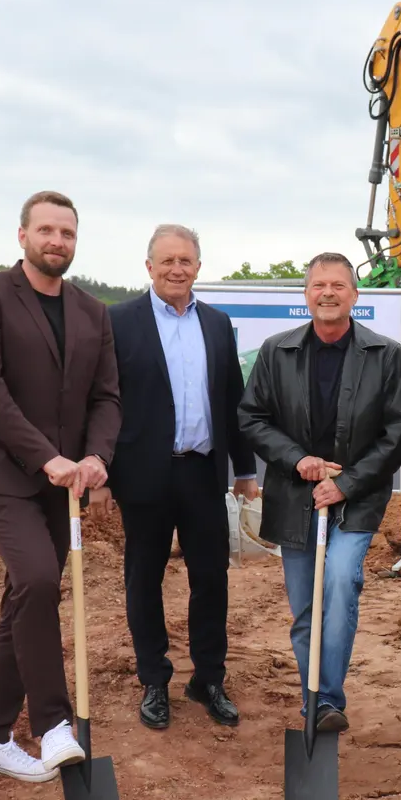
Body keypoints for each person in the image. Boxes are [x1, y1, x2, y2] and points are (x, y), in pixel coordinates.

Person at [0, 190, 121, 782]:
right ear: (22, 236)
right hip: (1, 469)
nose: (57, 241)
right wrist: (46, 457)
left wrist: (97, 455)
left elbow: (106, 396)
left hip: (65, 479)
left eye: (68, 233)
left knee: (25, 598)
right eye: (46, 230)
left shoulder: (92, 312)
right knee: (39, 577)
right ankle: (53, 725)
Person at [237, 251, 401, 733]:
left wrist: (345, 484)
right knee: (305, 607)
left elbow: (397, 435)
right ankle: (314, 696)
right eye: (319, 286)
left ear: (355, 295)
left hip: (356, 498)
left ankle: (327, 699)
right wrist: (299, 460)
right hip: (294, 498)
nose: (328, 293)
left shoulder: (384, 354)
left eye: (338, 285)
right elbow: (251, 418)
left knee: (339, 582)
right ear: (306, 295)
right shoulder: (277, 351)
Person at [94, 224, 259, 731]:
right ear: (148, 267)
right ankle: (154, 680)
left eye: (185, 261)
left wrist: (245, 467)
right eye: (166, 261)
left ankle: (208, 677)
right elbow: (100, 399)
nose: (176, 269)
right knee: (144, 578)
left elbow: (233, 399)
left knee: (211, 577)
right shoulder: (119, 322)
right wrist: (99, 470)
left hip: (202, 472)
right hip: (142, 474)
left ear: (198, 268)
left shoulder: (215, 322)